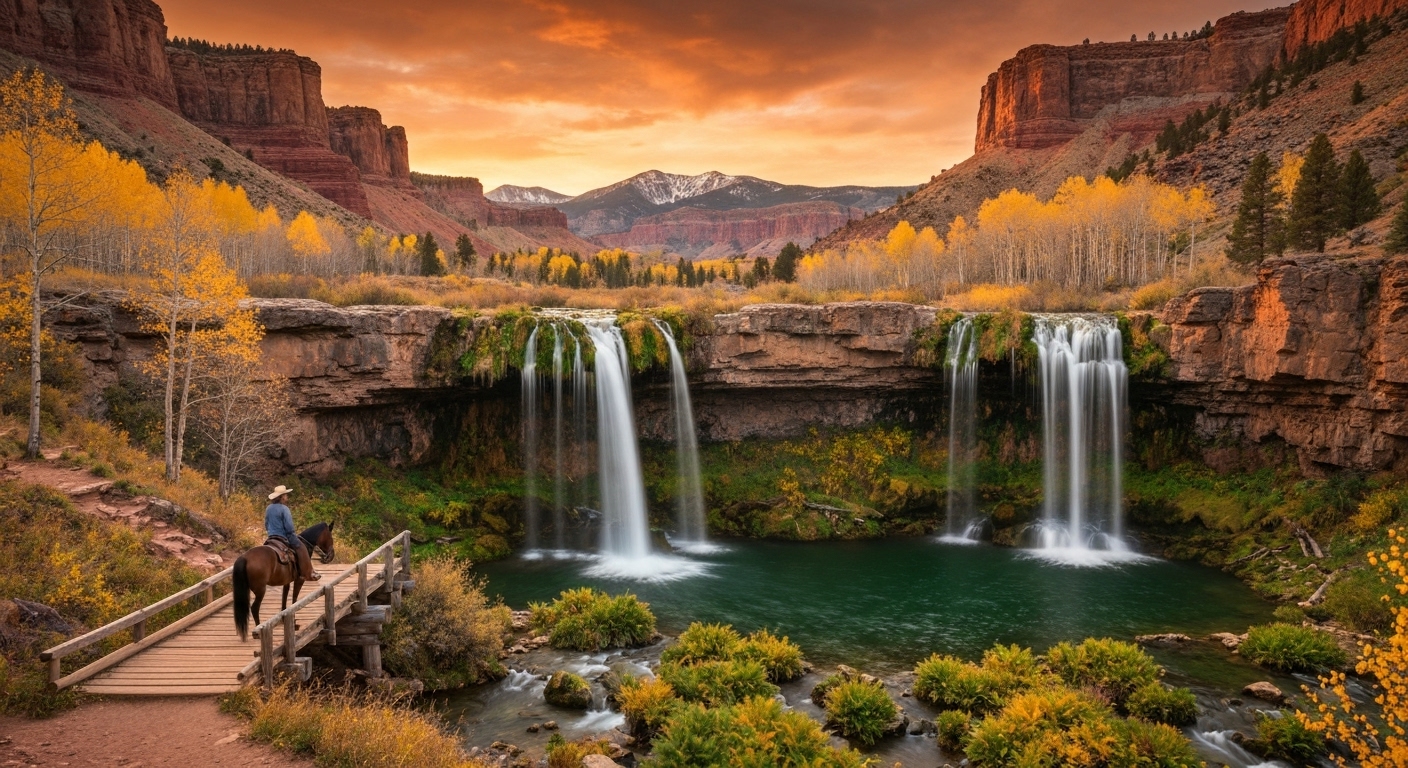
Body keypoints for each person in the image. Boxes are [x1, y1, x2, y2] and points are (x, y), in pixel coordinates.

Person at [264, 485, 320, 581]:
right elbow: (289, 528)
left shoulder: (268, 508)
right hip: (284, 536)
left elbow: (266, 524)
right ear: (281, 497)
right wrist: (292, 534)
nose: (287, 497)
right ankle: (309, 572)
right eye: (286, 495)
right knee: (302, 547)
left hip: (271, 537)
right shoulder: (284, 509)